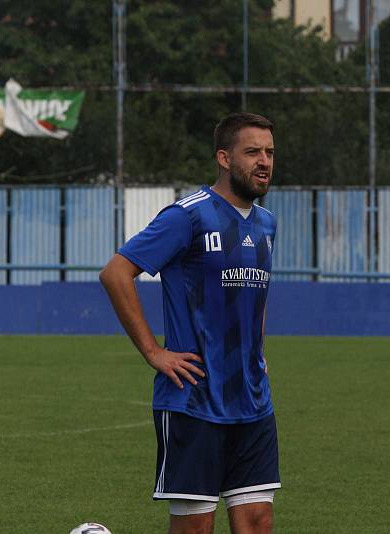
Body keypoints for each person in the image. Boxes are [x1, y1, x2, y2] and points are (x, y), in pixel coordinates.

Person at [100, 112, 279, 534]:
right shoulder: (189, 216)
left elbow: (257, 298)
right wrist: (153, 352)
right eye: (252, 151)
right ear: (223, 157)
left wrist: (259, 354)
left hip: (252, 400)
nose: (264, 161)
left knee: (257, 521)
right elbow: (116, 273)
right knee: (195, 528)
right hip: (193, 399)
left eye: (269, 152)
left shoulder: (267, 223)